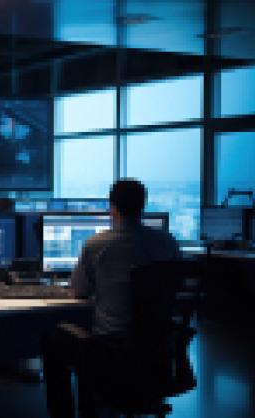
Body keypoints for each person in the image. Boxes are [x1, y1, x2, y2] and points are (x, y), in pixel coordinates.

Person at [42, 179, 181, 418]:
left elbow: (79, 291)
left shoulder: (97, 244)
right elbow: (174, 284)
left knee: (51, 343)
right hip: (158, 350)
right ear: (143, 205)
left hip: (109, 350)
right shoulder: (167, 241)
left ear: (112, 207)